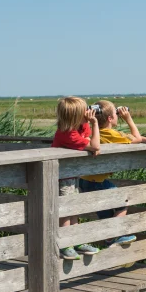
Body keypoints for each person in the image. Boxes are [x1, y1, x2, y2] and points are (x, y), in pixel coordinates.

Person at [79, 100, 146, 246]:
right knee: (123, 202)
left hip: (86, 180)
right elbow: (136, 138)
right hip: (96, 183)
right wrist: (128, 118)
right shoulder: (111, 134)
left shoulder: (95, 132)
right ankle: (117, 235)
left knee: (107, 215)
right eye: (116, 114)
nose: (118, 116)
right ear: (110, 118)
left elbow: (132, 138)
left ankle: (110, 240)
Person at [52, 96, 101, 260]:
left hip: (72, 175)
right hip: (61, 177)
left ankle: (76, 240)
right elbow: (95, 145)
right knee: (66, 210)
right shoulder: (67, 133)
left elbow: (89, 139)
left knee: (74, 208)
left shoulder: (79, 127)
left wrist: (88, 129)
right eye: (84, 112)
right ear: (75, 116)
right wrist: (95, 123)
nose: (88, 113)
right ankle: (66, 244)